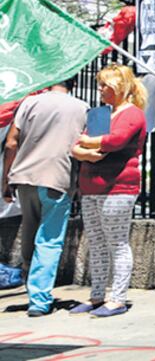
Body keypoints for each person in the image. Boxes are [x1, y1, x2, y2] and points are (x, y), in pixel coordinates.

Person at [2, 78, 87, 316]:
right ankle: (39, 299)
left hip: (25, 178)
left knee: (29, 231)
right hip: (57, 179)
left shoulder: (29, 103)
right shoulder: (82, 107)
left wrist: (6, 179)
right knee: (49, 239)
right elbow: (89, 147)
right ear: (74, 82)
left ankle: (31, 285)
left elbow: (11, 143)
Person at [70, 64, 147, 318]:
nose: (100, 89)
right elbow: (76, 146)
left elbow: (115, 141)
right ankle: (97, 295)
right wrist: (84, 150)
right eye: (100, 85)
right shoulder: (100, 114)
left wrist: (87, 144)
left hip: (118, 187)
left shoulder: (133, 113)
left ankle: (118, 298)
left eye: (105, 85)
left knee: (117, 243)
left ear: (120, 86)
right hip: (90, 186)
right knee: (96, 243)